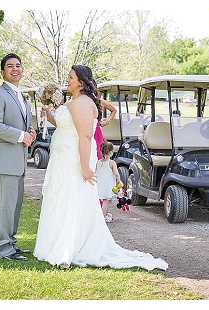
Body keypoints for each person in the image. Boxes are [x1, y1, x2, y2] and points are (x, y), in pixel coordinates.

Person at [33, 64, 167, 271]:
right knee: (61, 198)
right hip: (62, 158)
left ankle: (71, 247)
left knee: (72, 199)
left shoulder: (83, 103)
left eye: (70, 77)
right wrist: (50, 115)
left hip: (73, 160)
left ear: (80, 81)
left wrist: (86, 167)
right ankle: (55, 242)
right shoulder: (75, 101)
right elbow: (65, 126)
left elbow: (86, 136)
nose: (67, 80)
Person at [0, 53, 35, 261]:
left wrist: (29, 134)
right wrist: (22, 136)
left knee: (14, 205)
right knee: (5, 207)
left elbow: (17, 125)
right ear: (2, 72)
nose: (15, 69)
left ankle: (11, 244)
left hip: (17, 161)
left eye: (18, 65)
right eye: (10, 66)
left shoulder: (22, 97)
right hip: (2, 162)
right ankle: (4, 249)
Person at [95, 141, 120, 223]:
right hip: (107, 185)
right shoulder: (112, 163)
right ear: (110, 152)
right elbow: (116, 174)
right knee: (105, 202)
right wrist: (119, 181)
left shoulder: (98, 162)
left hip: (99, 184)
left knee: (103, 201)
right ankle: (103, 217)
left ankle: (103, 214)